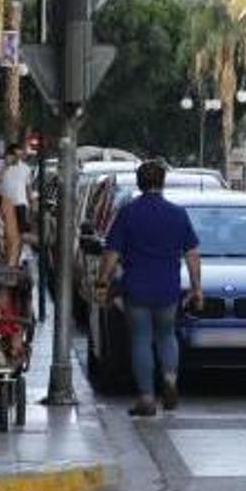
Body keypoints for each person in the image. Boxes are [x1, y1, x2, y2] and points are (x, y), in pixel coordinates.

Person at [96, 161, 203, 417]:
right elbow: (192, 254)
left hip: (136, 287)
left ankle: (146, 398)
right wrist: (197, 287)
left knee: (141, 339)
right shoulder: (178, 214)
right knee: (167, 335)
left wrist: (102, 280)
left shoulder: (128, 213)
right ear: (163, 181)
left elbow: (112, 253)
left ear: (139, 181)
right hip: (167, 287)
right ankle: (170, 380)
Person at [0, 144, 33, 234]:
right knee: (3, 229)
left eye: (20, 156)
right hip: (3, 202)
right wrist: (6, 166)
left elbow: (28, 186)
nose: (18, 158)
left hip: (20, 203)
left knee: (19, 230)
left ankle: (17, 246)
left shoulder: (26, 168)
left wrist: (30, 201)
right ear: (8, 154)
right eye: (15, 155)